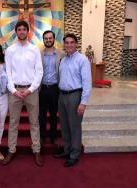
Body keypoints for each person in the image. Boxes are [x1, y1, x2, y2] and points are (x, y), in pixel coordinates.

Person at [3, 20, 44, 166]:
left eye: (24, 29)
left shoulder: (34, 50)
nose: (21, 32)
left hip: (31, 91)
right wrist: (14, 90)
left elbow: (39, 72)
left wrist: (30, 89)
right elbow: (7, 73)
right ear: (16, 32)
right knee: (13, 123)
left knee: (34, 123)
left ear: (28, 31)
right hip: (14, 91)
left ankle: (37, 150)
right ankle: (11, 150)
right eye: (19, 29)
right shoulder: (10, 50)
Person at [55, 33, 92, 167]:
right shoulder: (63, 60)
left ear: (76, 44)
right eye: (67, 42)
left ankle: (74, 154)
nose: (69, 45)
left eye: (72, 42)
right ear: (64, 44)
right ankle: (67, 150)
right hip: (62, 95)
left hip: (75, 96)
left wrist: (83, 102)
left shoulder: (82, 60)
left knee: (74, 126)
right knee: (64, 126)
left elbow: (87, 82)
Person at [39, 30, 65, 145]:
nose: (48, 40)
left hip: (55, 88)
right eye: (46, 38)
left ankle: (53, 137)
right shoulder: (38, 54)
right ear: (43, 40)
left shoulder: (61, 54)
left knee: (54, 114)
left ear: (54, 39)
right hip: (42, 88)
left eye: (50, 38)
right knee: (42, 115)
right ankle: (42, 136)